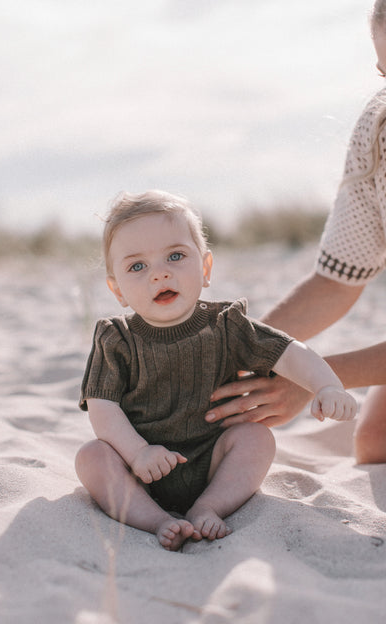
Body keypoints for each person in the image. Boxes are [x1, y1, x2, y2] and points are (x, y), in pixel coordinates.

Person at [75, 190, 357, 551]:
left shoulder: (228, 325)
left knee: (256, 439)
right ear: (118, 290)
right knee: (92, 457)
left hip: (213, 461)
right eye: (137, 266)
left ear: (205, 268)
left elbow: (287, 352)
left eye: (175, 256)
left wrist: (326, 385)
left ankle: (209, 506)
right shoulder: (117, 338)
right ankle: (153, 518)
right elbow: (103, 407)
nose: (159, 273)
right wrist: (137, 453)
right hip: (139, 468)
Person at [204, 0, 386, 465]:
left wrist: (317, 378)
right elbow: (335, 282)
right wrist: (240, 355)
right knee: (375, 442)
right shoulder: (378, 130)